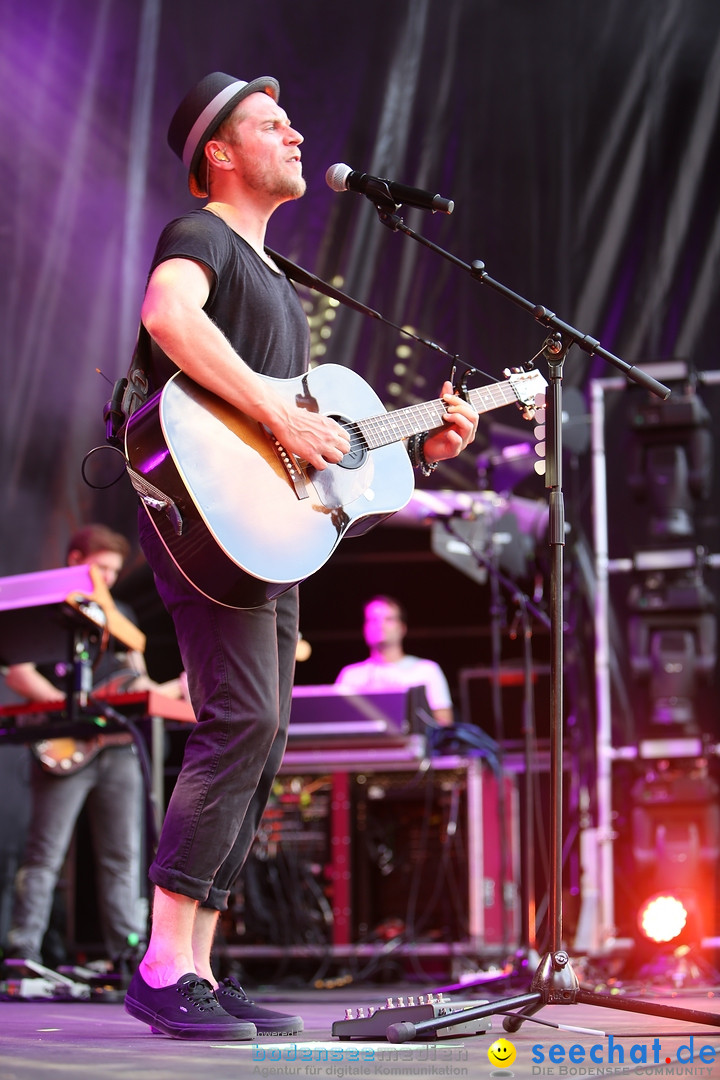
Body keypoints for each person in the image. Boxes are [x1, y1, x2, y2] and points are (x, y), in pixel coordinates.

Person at [121, 71, 478, 1041]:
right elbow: (167, 316)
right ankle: (160, 965)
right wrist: (279, 406)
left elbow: (316, 457)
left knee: (264, 727)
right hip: (208, 521)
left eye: (291, 118)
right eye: (269, 124)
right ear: (219, 156)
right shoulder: (202, 240)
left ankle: (194, 962)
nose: (294, 132)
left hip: (266, 533)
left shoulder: (278, 281)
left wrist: (419, 445)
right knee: (240, 720)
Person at [4, 524, 181, 974]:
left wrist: (178, 687)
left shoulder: (121, 613)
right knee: (44, 854)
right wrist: (71, 712)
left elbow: (138, 681)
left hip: (118, 749)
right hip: (66, 743)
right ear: (75, 559)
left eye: (114, 570)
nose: (108, 577)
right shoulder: (50, 605)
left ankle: (128, 956)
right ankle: (22, 952)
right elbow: (19, 673)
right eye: (99, 567)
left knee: (122, 856)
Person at [335, 595, 454, 727]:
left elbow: (444, 724)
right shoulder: (350, 675)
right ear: (364, 628)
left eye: (389, 619)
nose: (380, 625)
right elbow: (338, 723)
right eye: (373, 620)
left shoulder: (426, 670)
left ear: (402, 628)